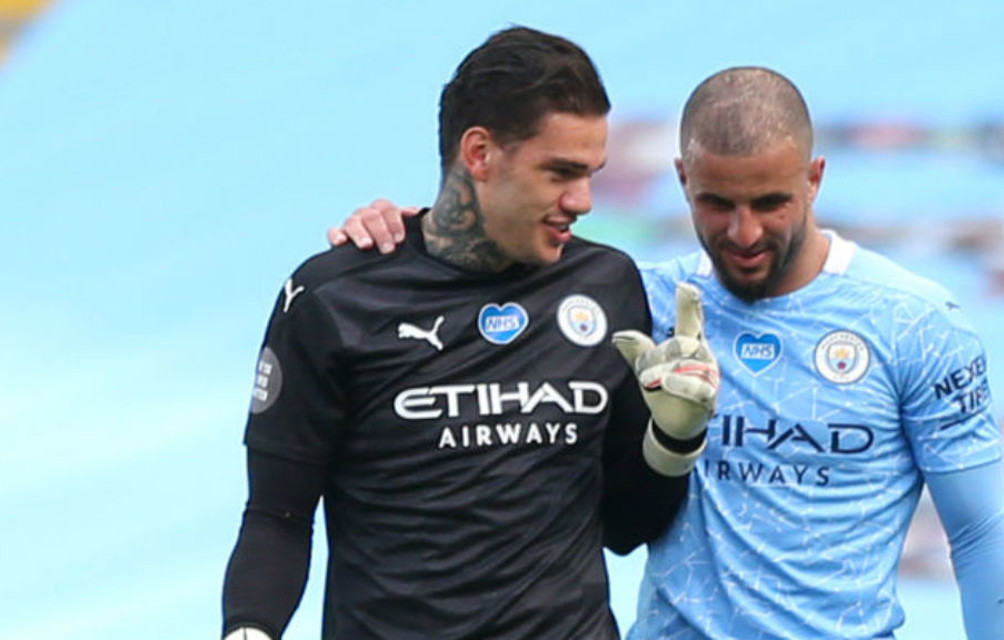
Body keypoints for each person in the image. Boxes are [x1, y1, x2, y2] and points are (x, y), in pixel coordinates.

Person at [331, 67, 1004, 639]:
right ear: (680, 180)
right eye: (716, 203)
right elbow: (480, 267)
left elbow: (976, 534)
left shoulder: (915, 323)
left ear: (815, 178)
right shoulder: (632, 301)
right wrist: (406, 229)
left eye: (771, 202)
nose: (743, 231)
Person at [221, 26, 719, 640]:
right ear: (479, 154)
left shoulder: (607, 287)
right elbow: (277, 516)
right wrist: (248, 631)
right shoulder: (335, 297)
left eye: (592, 173)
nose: (584, 200)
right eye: (560, 172)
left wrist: (674, 439)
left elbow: (623, 527)